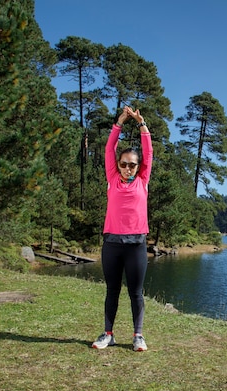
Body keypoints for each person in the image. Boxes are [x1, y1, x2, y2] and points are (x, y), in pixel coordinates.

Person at [92, 106, 152, 352]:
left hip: (136, 244)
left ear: (139, 167)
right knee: (112, 291)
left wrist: (141, 123)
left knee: (136, 293)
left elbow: (148, 151)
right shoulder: (112, 179)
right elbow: (108, 148)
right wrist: (119, 122)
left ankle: (138, 336)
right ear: (118, 165)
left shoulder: (143, 180)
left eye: (133, 165)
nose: (128, 168)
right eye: (124, 164)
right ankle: (108, 334)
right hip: (112, 244)